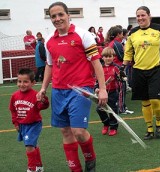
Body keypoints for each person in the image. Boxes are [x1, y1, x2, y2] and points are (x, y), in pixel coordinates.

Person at [36, 2, 108, 171]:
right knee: (66, 132)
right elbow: (50, 65)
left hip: (81, 89)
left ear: (69, 15)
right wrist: (43, 88)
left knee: (78, 131)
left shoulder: (83, 35)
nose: (57, 19)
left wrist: (102, 88)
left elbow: (96, 63)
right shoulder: (49, 40)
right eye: (53, 16)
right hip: (59, 91)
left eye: (60, 14)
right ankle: (75, 169)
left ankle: (90, 158)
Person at [123, 6, 160, 140]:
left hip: (156, 69)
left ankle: (158, 122)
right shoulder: (133, 33)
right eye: (138, 16)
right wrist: (122, 67)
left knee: (155, 99)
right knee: (145, 101)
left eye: (143, 15)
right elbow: (128, 52)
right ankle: (149, 128)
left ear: (149, 16)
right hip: (138, 71)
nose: (140, 18)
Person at [9, 68, 49, 172]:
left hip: (34, 124)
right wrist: (15, 123)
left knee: (29, 146)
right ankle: (39, 166)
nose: (22, 84)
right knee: (33, 146)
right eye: (19, 81)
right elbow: (13, 110)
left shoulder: (36, 95)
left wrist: (44, 100)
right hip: (22, 125)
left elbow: (42, 106)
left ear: (33, 83)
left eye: (25, 81)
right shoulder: (14, 96)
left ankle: (31, 168)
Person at [95, 47, 123, 136]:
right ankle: (106, 124)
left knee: (113, 110)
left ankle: (113, 127)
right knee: (99, 109)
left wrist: (121, 77)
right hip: (102, 93)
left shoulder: (116, 67)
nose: (108, 58)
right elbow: (95, 81)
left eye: (110, 56)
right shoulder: (99, 68)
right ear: (102, 57)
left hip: (113, 92)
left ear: (113, 57)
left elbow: (122, 78)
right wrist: (96, 88)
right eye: (106, 56)